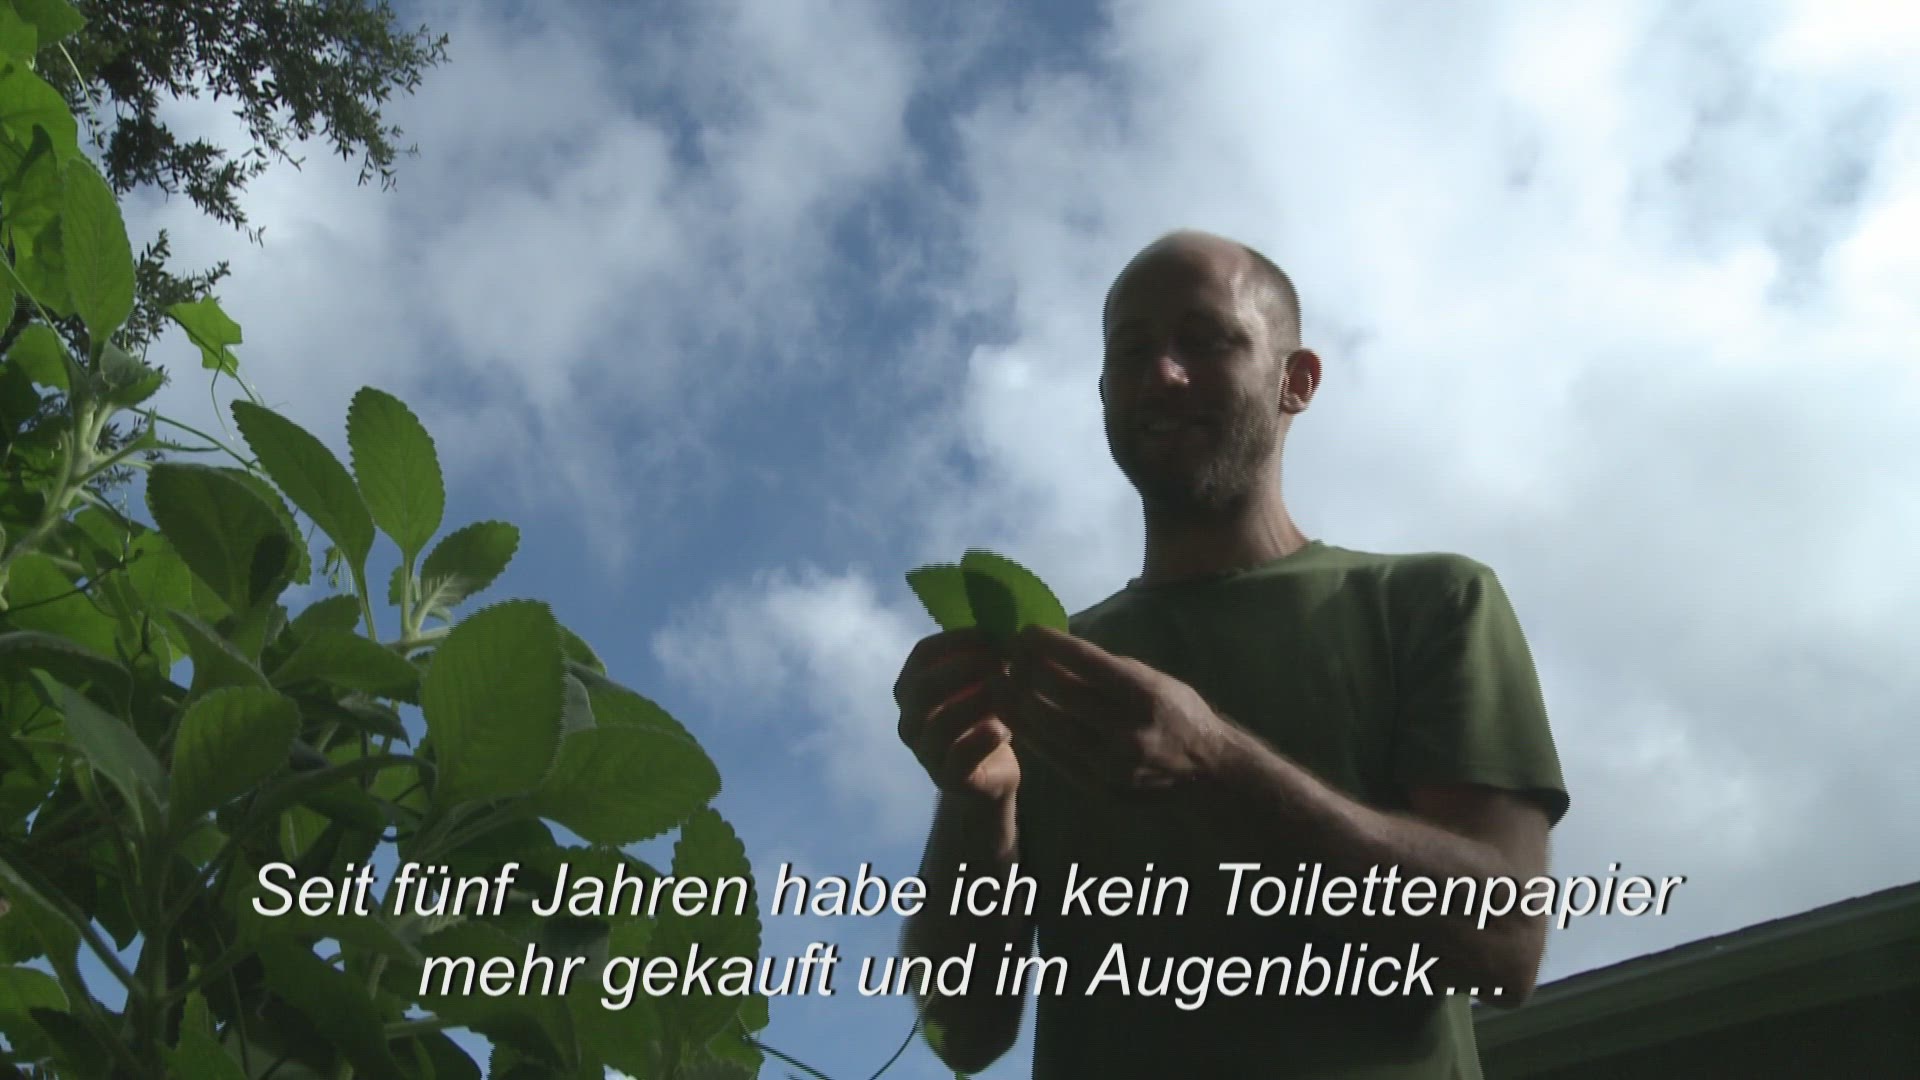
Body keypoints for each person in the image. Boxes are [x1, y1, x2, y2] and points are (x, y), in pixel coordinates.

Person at [894, 229, 1570, 1078]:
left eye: (1205, 341)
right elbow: (963, 1031)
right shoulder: (1053, 665)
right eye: (1131, 352)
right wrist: (977, 803)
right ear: (1104, 393)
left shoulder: (1433, 602)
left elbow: (1504, 945)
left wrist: (1214, 764)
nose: (1162, 374)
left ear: (1297, 381)